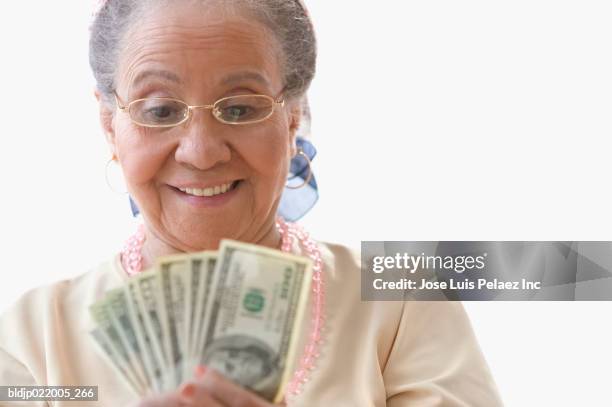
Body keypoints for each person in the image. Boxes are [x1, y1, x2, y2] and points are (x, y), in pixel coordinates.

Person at [0, 0, 503, 406]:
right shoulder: (33, 336)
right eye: (160, 109)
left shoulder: (402, 306)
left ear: (292, 117)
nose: (199, 152)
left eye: (240, 107)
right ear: (110, 125)